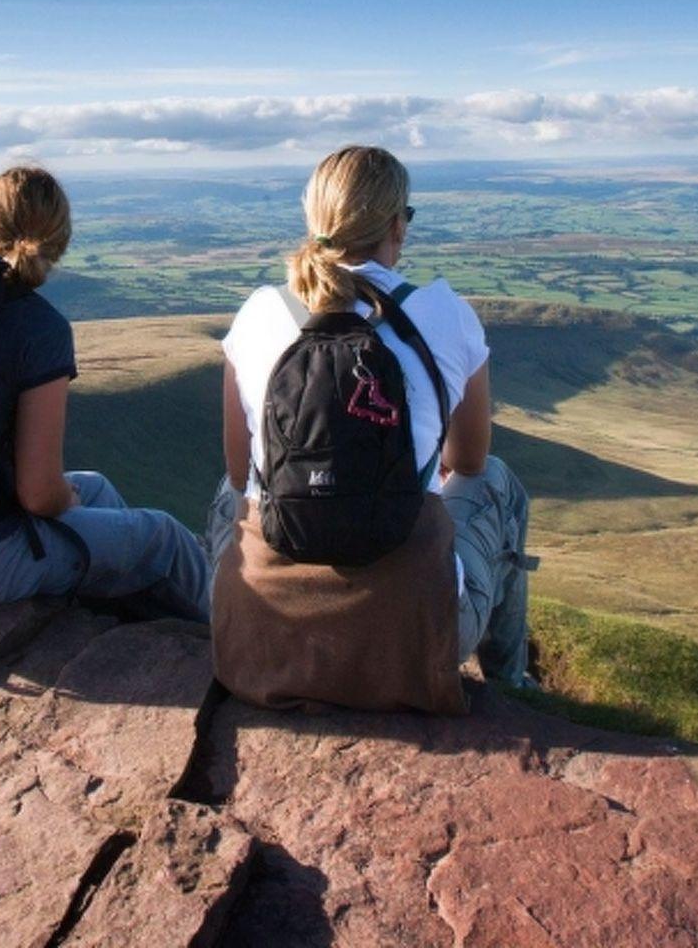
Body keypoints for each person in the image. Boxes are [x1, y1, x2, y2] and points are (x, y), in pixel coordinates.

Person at [209, 145, 533, 708]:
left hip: (269, 630)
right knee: (497, 482)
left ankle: (222, 606)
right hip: (414, 636)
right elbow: (472, 461)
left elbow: (242, 473)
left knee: (230, 490)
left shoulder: (259, 312)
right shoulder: (445, 312)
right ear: (396, 226)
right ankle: (512, 684)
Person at [0, 165, 212, 621]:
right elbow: (39, 497)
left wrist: (66, 496)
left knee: (97, 487)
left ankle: (117, 620)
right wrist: (63, 498)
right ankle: (227, 662)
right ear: (60, 237)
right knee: (165, 538)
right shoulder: (36, 326)